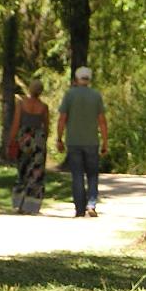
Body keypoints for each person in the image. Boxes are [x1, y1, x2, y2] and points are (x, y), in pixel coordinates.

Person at [56, 66, 108, 217]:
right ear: (89, 79)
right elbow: (102, 121)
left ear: (77, 79)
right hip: (92, 141)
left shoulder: (69, 95)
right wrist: (105, 141)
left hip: (74, 141)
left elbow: (62, 118)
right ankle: (91, 204)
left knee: (77, 175)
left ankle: (79, 209)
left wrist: (59, 138)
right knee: (92, 175)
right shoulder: (96, 96)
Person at [7, 78, 50, 214]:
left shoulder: (21, 103)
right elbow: (46, 127)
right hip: (38, 140)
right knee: (35, 173)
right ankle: (31, 206)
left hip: (24, 139)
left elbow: (16, 123)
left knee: (22, 170)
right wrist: (44, 140)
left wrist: (11, 140)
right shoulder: (44, 107)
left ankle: (19, 203)